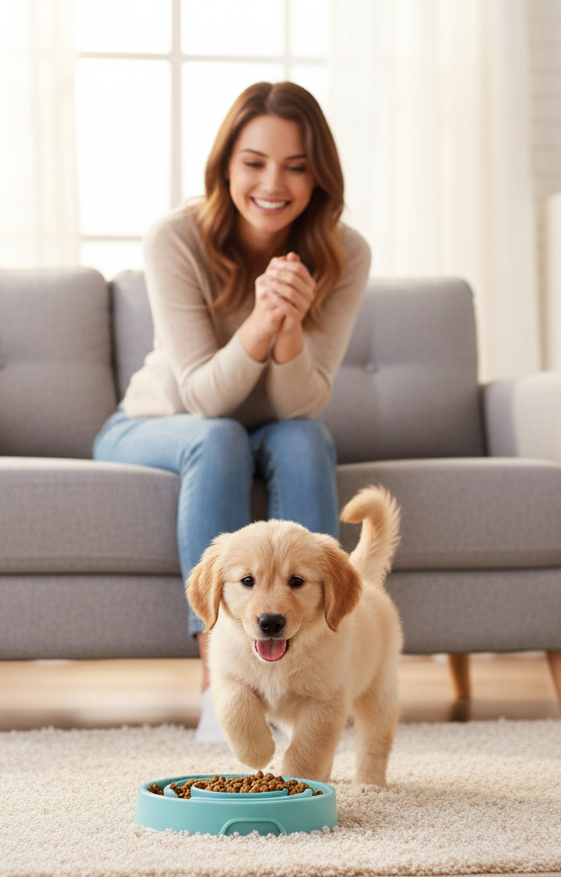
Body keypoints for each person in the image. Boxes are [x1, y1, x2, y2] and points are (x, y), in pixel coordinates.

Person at [93, 81, 371, 741]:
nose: (274, 182)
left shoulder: (344, 253)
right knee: (218, 438)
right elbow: (204, 397)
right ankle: (224, 688)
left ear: (319, 177)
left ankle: (314, 686)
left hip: (272, 428)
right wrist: (263, 317)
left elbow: (299, 402)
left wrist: (293, 327)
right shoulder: (176, 239)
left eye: (297, 166)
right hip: (158, 423)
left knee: (304, 438)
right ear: (224, 166)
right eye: (254, 162)